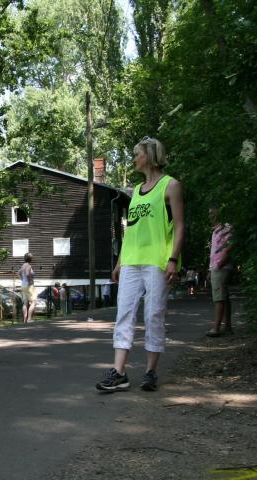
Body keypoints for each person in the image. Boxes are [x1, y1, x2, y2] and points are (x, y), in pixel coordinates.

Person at [96, 136, 184, 393]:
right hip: (131, 261)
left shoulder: (171, 186)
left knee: (153, 314)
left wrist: (173, 259)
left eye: (137, 154)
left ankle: (150, 372)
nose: (134, 158)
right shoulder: (135, 191)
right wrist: (119, 262)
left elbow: (180, 227)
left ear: (150, 155)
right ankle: (119, 372)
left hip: (157, 261)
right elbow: (131, 231)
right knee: (124, 314)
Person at [207, 207, 234, 337]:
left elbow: (230, 245)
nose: (210, 216)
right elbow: (213, 252)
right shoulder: (215, 231)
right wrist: (210, 269)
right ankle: (227, 326)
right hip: (217, 267)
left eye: (212, 212)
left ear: (219, 213)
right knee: (224, 297)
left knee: (218, 298)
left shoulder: (226, 228)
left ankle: (216, 328)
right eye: (209, 213)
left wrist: (218, 265)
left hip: (221, 268)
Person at [18, 253, 36, 323]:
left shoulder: (23, 266)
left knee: (25, 302)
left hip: (23, 285)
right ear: (30, 258)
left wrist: (22, 280)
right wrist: (29, 281)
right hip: (29, 286)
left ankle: (25, 319)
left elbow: (18, 273)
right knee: (33, 302)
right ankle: (29, 319)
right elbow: (27, 274)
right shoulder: (28, 265)